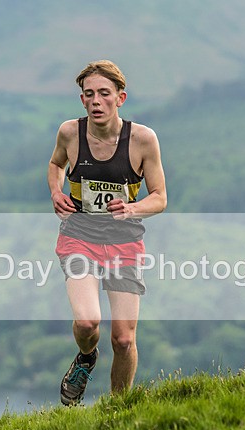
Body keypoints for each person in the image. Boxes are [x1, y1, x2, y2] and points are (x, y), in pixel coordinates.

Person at [47, 60, 167, 406]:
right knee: (87, 323)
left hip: (124, 242)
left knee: (124, 340)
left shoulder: (143, 140)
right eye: (89, 95)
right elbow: (56, 165)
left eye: (104, 93)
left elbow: (160, 197)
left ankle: (117, 410)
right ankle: (86, 358)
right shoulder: (70, 133)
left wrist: (132, 208)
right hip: (79, 235)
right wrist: (56, 192)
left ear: (121, 98)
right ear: (82, 100)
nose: (96, 101)